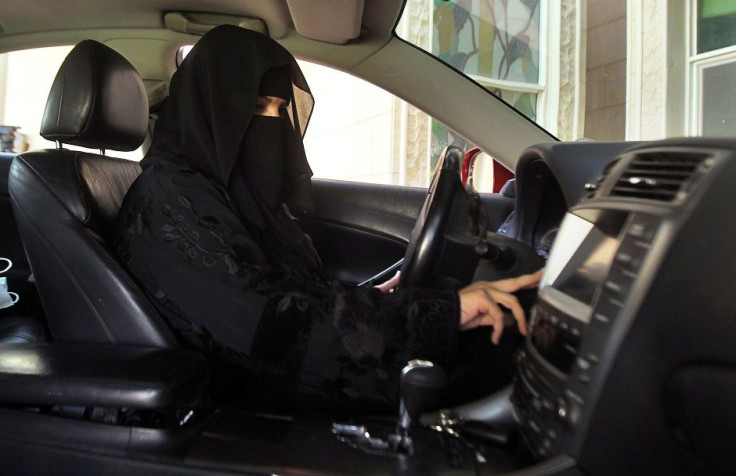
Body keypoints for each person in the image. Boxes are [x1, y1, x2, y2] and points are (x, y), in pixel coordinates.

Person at [116, 25, 541, 411]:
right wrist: (436, 314)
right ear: (209, 107)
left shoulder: (223, 191)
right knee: (498, 357)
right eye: (259, 106)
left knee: (500, 335)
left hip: (272, 372)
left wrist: (384, 299)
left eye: (281, 108)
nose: (275, 124)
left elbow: (285, 293)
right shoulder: (168, 199)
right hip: (243, 407)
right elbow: (266, 322)